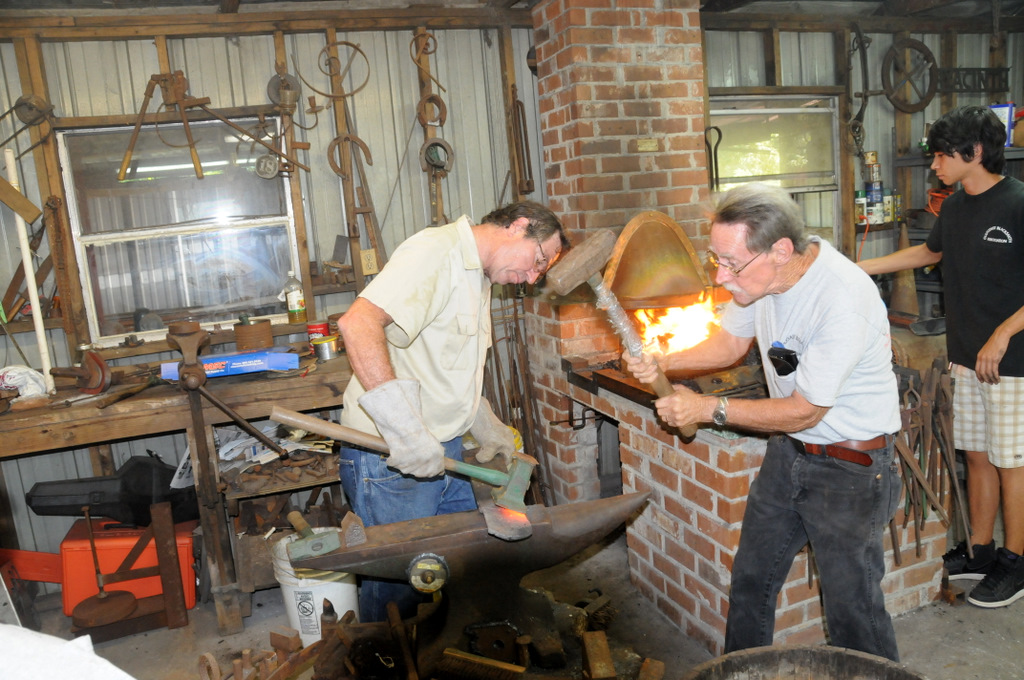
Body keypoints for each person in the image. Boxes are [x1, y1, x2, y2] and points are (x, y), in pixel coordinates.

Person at [623, 183, 902, 660]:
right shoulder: (760, 280)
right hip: (788, 454)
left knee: (853, 612)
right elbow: (729, 344)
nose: (721, 277)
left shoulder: (841, 298)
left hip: (850, 470)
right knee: (751, 581)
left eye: (730, 263)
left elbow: (805, 410)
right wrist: (662, 360)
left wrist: (706, 408)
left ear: (781, 250)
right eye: (716, 259)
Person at [336, 201, 567, 622]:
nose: (534, 278)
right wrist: (404, 429)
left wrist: (483, 419)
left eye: (542, 272)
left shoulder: (480, 275)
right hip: (393, 456)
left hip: (446, 450)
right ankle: (386, 656)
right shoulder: (436, 253)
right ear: (518, 226)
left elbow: (446, 364)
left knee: (456, 568)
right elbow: (358, 323)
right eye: (538, 261)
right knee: (399, 588)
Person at [859, 104, 1024, 609]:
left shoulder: (1018, 203)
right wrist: (858, 267)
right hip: (966, 356)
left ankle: (1016, 563)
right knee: (977, 455)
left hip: (1014, 360)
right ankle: (981, 550)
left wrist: (1002, 334)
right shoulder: (953, 208)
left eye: (942, 155)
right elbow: (929, 253)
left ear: (975, 152)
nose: (934, 165)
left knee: (1012, 462)